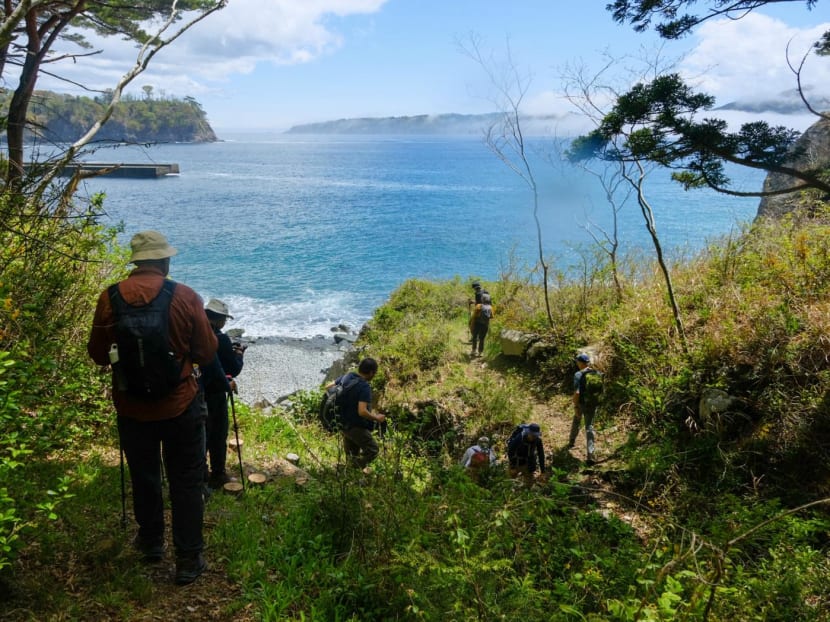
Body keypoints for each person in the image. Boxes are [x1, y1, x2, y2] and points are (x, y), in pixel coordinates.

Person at [87, 230, 217, 585]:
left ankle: (150, 544)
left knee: (145, 477)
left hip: (132, 408)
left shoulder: (109, 298)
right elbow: (206, 352)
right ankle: (188, 560)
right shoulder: (185, 296)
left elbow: (98, 355)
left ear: (136, 261)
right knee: (187, 482)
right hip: (181, 405)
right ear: (164, 261)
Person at [201, 298, 245, 489]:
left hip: (196, 391)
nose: (225, 323)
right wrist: (239, 356)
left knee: (201, 433)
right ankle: (218, 474)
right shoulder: (221, 339)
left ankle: (201, 471)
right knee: (218, 434)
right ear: (219, 320)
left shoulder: (195, 334)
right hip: (216, 391)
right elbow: (232, 369)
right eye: (224, 319)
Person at [329, 358, 386, 469]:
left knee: (352, 454)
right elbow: (362, 411)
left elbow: (328, 387)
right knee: (373, 450)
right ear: (371, 372)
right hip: (356, 426)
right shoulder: (364, 387)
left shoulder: (347, 377)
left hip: (342, 423)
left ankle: (348, 475)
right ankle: (353, 468)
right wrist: (376, 418)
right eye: (374, 373)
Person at [570, 352, 599, 464]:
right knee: (589, 427)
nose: (577, 363)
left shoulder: (578, 374)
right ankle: (590, 454)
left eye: (577, 361)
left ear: (581, 363)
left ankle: (571, 441)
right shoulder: (596, 373)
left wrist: (576, 406)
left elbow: (577, 393)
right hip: (592, 404)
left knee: (576, 420)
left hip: (582, 404)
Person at [469, 291, 494, 357]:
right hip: (485, 325)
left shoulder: (479, 306)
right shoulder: (490, 307)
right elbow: (491, 317)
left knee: (474, 337)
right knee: (482, 339)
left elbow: (474, 316)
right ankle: (480, 352)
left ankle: (474, 351)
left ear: (482, 299)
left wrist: (471, 324)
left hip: (477, 324)